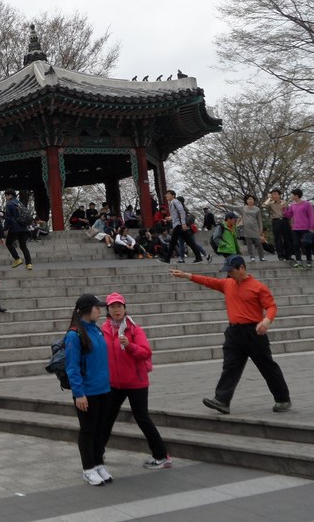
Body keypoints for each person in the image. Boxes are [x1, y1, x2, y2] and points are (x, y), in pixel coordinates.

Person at [170, 255, 291, 415]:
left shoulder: (258, 287)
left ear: (242, 268)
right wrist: (187, 275)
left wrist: (267, 321)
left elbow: (271, 306)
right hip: (234, 333)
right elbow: (209, 281)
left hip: (254, 332)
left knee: (267, 367)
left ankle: (283, 399)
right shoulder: (228, 284)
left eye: (231, 271)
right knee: (230, 366)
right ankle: (222, 400)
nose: (229, 274)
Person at [100, 292, 171, 469]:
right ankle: (97, 453)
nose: (116, 310)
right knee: (106, 418)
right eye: (112, 307)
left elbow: (146, 352)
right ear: (108, 310)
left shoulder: (134, 329)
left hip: (136, 382)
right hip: (114, 383)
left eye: (119, 306)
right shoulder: (104, 329)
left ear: (125, 308)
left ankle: (161, 456)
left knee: (142, 418)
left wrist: (129, 345)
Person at [64, 294, 112, 486]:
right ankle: (88, 468)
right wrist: (79, 394)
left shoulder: (97, 331)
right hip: (87, 392)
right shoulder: (74, 335)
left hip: (103, 390)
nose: (100, 310)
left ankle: (99, 464)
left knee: (100, 430)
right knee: (88, 430)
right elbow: (72, 368)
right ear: (86, 310)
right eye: (96, 307)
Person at [159, 190, 204, 264]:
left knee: (172, 242)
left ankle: (167, 259)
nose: (166, 195)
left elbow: (182, 212)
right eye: (166, 194)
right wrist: (170, 218)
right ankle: (199, 257)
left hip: (179, 225)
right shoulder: (172, 203)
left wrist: (183, 223)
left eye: (168, 194)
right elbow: (176, 214)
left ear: (173, 195)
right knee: (190, 242)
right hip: (178, 224)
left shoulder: (175, 202)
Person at [216, 196, 266, 261]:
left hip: (255, 228)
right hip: (246, 229)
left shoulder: (257, 209)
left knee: (259, 243)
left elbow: (260, 220)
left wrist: (261, 229)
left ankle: (262, 257)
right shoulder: (243, 208)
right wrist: (223, 205)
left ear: (254, 200)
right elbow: (233, 207)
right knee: (249, 244)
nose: (250, 200)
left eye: (252, 199)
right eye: (249, 199)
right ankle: (252, 257)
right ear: (246, 201)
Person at [287, 188, 314, 269]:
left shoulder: (307, 204)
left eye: (292, 195)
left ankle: (309, 262)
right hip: (295, 228)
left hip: (306, 228)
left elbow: (311, 216)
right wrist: (284, 209)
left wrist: (312, 227)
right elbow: (289, 215)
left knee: (307, 245)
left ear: (297, 195)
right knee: (296, 245)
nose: (291, 196)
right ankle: (299, 262)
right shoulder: (292, 205)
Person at [3, 189, 32, 270]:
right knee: (23, 245)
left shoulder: (9, 204)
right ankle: (29, 264)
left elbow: (8, 218)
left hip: (14, 227)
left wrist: (5, 228)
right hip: (23, 227)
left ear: (10, 195)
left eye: (6, 195)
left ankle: (17, 259)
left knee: (8, 243)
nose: (6, 197)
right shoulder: (19, 203)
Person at [262, 189, 292, 261]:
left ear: (279, 195)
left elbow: (289, 212)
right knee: (278, 239)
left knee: (287, 239)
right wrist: (269, 198)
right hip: (276, 221)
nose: (274, 196)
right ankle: (280, 255)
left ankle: (288, 255)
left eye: (275, 194)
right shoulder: (270, 203)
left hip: (285, 221)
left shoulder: (284, 202)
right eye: (272, 194)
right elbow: (263, 206)